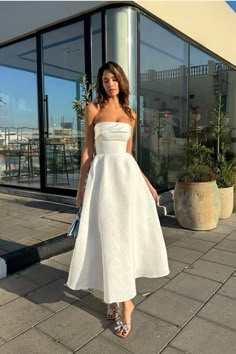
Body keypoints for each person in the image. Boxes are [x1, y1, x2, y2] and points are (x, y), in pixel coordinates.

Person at [67, 61, 169, 338]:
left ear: (121, 82)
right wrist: (80, 188)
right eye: (104, 79)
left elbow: (128, 155)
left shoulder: (130, 114)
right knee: (104, 238)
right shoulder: (94, 110)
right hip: (102, 183)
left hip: (126, 183)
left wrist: (147, 184)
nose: (109, 83)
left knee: (121, 239)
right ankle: (114, 296)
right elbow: (88, 151)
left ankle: (125, 304)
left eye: (113, 79)